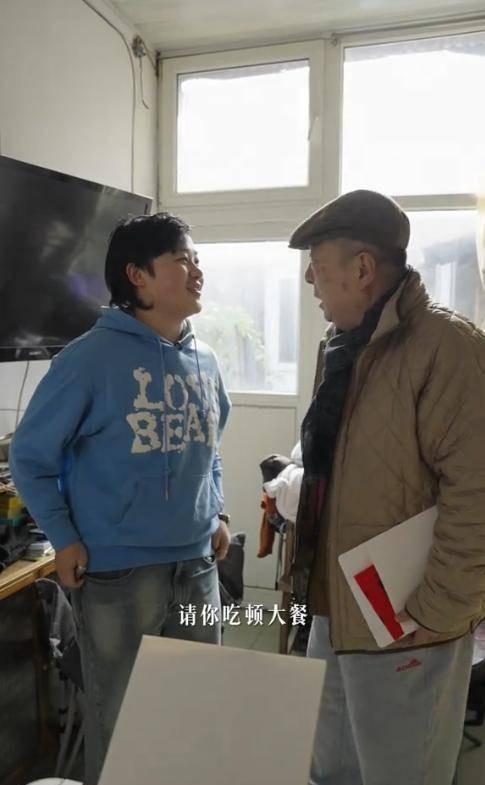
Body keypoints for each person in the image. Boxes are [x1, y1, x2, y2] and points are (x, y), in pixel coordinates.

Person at [10, 212, 231, 785]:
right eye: (181, 260)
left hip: (197, 566)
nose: (197, 271)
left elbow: (210, 445)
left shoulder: (205, 360)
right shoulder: (89, 359)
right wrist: (63, 537)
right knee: (125, 724)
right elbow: (30, 457)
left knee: (195, 715)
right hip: (119, 574)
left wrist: (218, 510)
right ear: (137, 275)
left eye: (197, 260)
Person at [288, 190, 485, 785]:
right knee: (330, 768)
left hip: (408, 622)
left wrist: (436, 610)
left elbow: (477, 491)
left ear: (363, 268)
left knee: (402, 773)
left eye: (318, 268)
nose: (310, 282)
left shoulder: (448, 348)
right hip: (335, 608)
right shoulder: (341, 347)